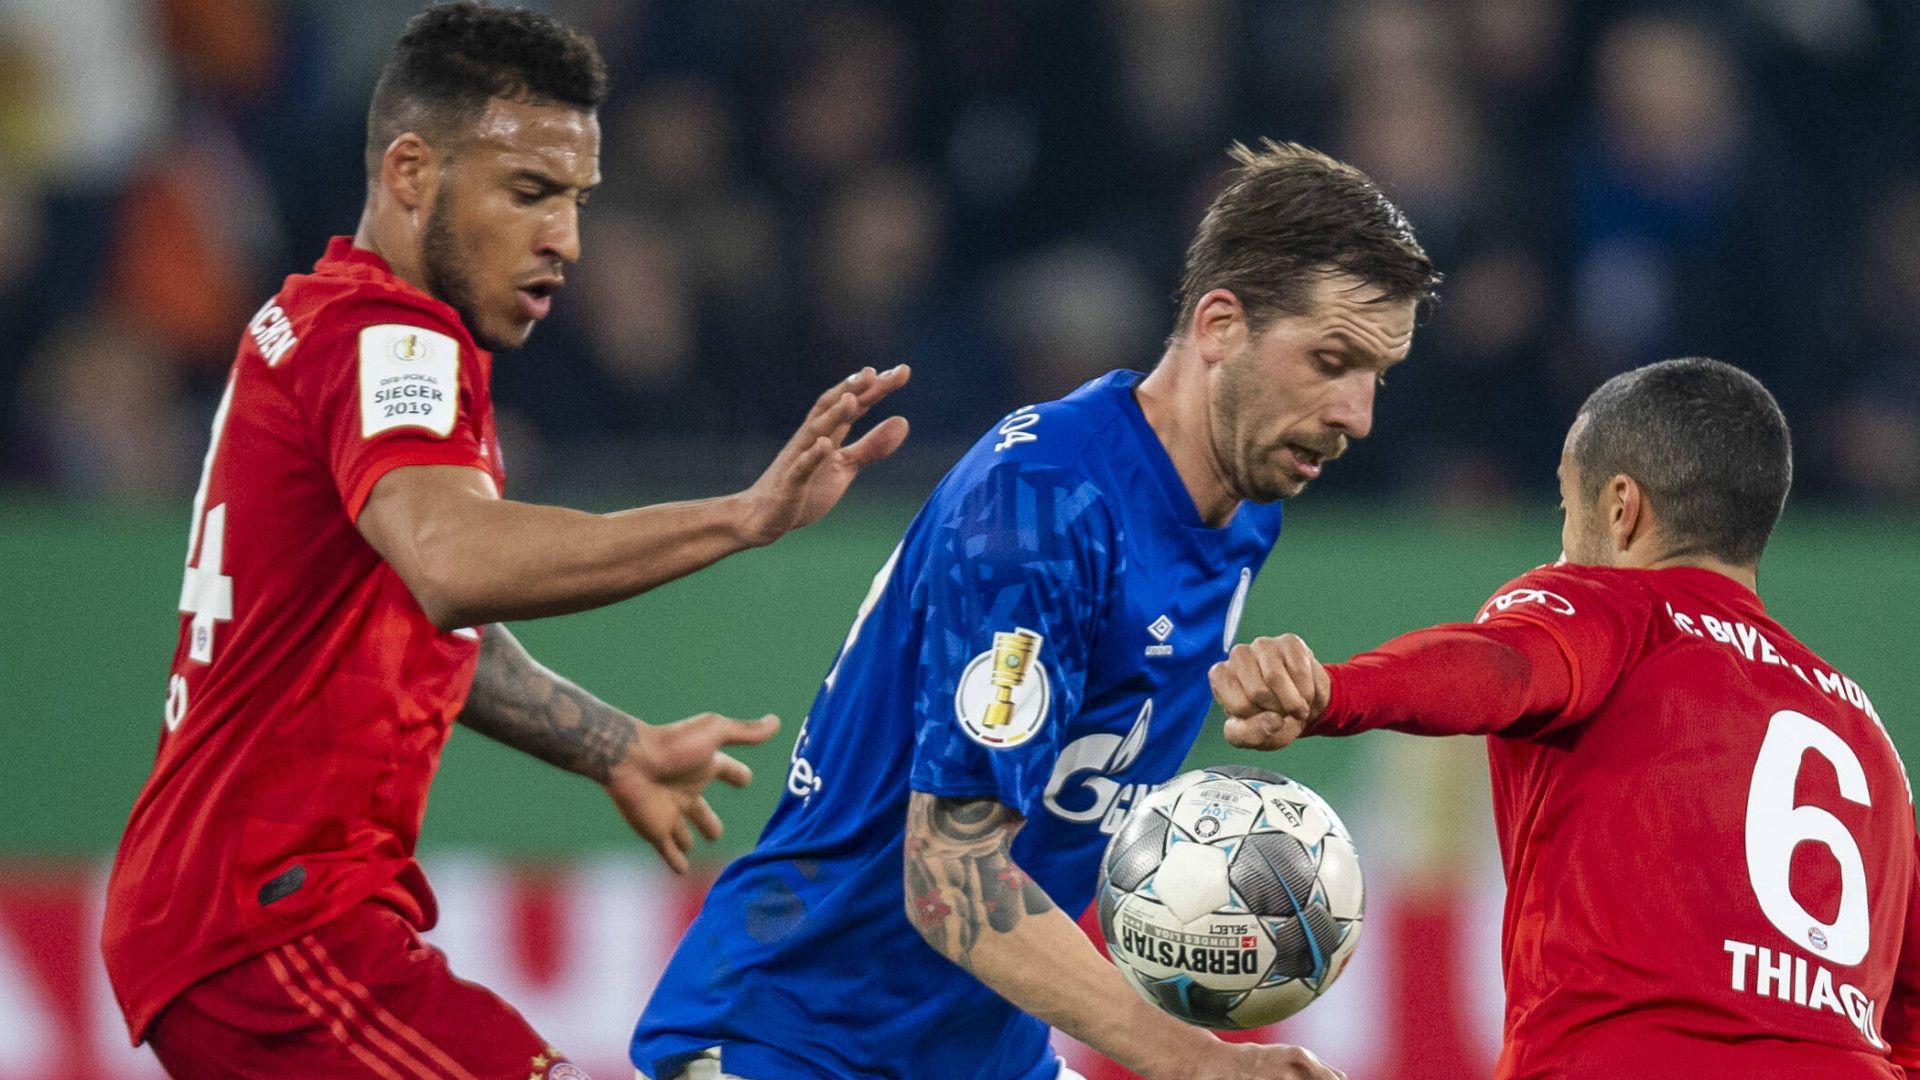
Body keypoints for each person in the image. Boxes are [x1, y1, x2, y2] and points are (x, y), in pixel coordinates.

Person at [99, 5, 910, 1077]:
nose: (565, 240)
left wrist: (611, 743)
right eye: (529, 193)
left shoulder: (339, 323)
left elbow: (423, 617)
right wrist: (740, 516)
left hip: (238, 917)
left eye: (575, 201)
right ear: (411, 169)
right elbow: (452, 566)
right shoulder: (389, 340)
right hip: (268, 926)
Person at [631, 139, 1440, 1080]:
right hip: (800, 1036)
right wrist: (1199, 1061)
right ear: (1220, 324)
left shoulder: (1248, 498)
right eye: (1332, 360)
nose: (1358, 414)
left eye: (1378, 373)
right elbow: (950, 883)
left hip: (980, 1051)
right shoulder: (1041, 511)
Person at [1211, 357, 1920, 1080]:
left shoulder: (1620, 613)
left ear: (1621, 508)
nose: (1561, 541)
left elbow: (1502, 668)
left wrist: (1334, 693)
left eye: (1564, 507)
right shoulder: (1867, 738)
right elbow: (1912, 1005)